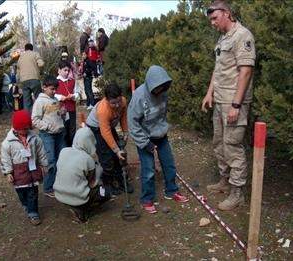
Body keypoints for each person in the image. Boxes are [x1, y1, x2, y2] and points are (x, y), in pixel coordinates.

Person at [201, 0, 256, 211]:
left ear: (226, 13)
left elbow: (246, 71)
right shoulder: (223, 38)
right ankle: (224, 180)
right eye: (211, 20)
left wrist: (236, 104)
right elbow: (218, 69)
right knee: (219, 142)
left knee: (233, 145)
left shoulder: (242, 36)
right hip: (220, 100)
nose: (212, 23)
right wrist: (209, 93)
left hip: (234, 102)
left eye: (215, 18)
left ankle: (237, 193)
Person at [128, 65, 189, 214]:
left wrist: (161, 131)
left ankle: (171, 190)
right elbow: (132, 123)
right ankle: (147, 199)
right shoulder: (139, 97)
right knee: (148, 170)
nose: (160, 90)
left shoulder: (163, 93)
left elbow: (162, 114)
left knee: (169, 164)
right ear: (150, 84)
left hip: (160, 135)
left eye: (163, 87)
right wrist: (145, 143)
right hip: (144, 136)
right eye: (157, 88)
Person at [0, 110, 48, 225]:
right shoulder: (7, 143)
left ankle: (33, 213)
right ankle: (26, 204)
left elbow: (41, 152)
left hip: (33, 170)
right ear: (16, 128)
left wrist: (44, 165)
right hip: (18, 173)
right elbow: (5, 159)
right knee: (21, 192)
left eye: (27, 128)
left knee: (32, 193)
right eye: (23, 129)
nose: (25, 131)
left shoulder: (34, 138)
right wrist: (8, 172)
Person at [53, 127, 111, 223]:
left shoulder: (64, 151)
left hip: (59, 194)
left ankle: (74, 206)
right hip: (78, 196)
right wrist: (99, 168)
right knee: (105, 192)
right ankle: (82, 209)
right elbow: (92, 182)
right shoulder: (88, 159)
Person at [86, 83, 134, 196]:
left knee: (119, 157)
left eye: (118, 101)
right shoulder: (103, 110)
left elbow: (123, 117)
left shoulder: (123, 101)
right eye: (113, 103)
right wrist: (116, 150)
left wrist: (125, 131)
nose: (117, 105)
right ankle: (108, 183)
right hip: (96, 128)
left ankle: (121, 180)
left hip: (109, 126)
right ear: (107, 100)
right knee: (107, 157)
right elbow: (105, 132)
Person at [31, 75, 67, 198]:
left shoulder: (55, 100)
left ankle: (59, 183)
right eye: (52, 89)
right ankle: (48, 187)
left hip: (59, 133)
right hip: (47, 135)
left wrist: (62, 114)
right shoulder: (40, 101)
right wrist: (47, 127)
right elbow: (35, 120)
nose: (54, 91)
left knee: (61, 159)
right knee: (50, 160)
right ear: (44, 87)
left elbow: (57, 116)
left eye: (55, 89)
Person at [55, 61, 80, 146]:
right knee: (63, 129)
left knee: (72, 128)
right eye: (64, 70)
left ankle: (72, 146)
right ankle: (64, 147)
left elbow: (77, 92)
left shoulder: (72, 81)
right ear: (59, 70)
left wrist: (74, 96)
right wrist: (60, 97)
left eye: (68, 71)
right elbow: (53, 94)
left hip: (71, 108)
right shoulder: (56, 82)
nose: (66, 72)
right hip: (61, 110)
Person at [17, 43, 44, 111]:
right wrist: (40, 71)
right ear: (32, 49)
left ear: (25, 49)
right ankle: (40, 114)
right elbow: (41, 64)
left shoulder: (20, 57)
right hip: (34, 79)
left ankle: (28, 118)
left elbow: (18, 73)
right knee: (38, 98)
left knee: (26, 101)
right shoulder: (35, 54)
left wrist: (19, 84)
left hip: (23, 81)